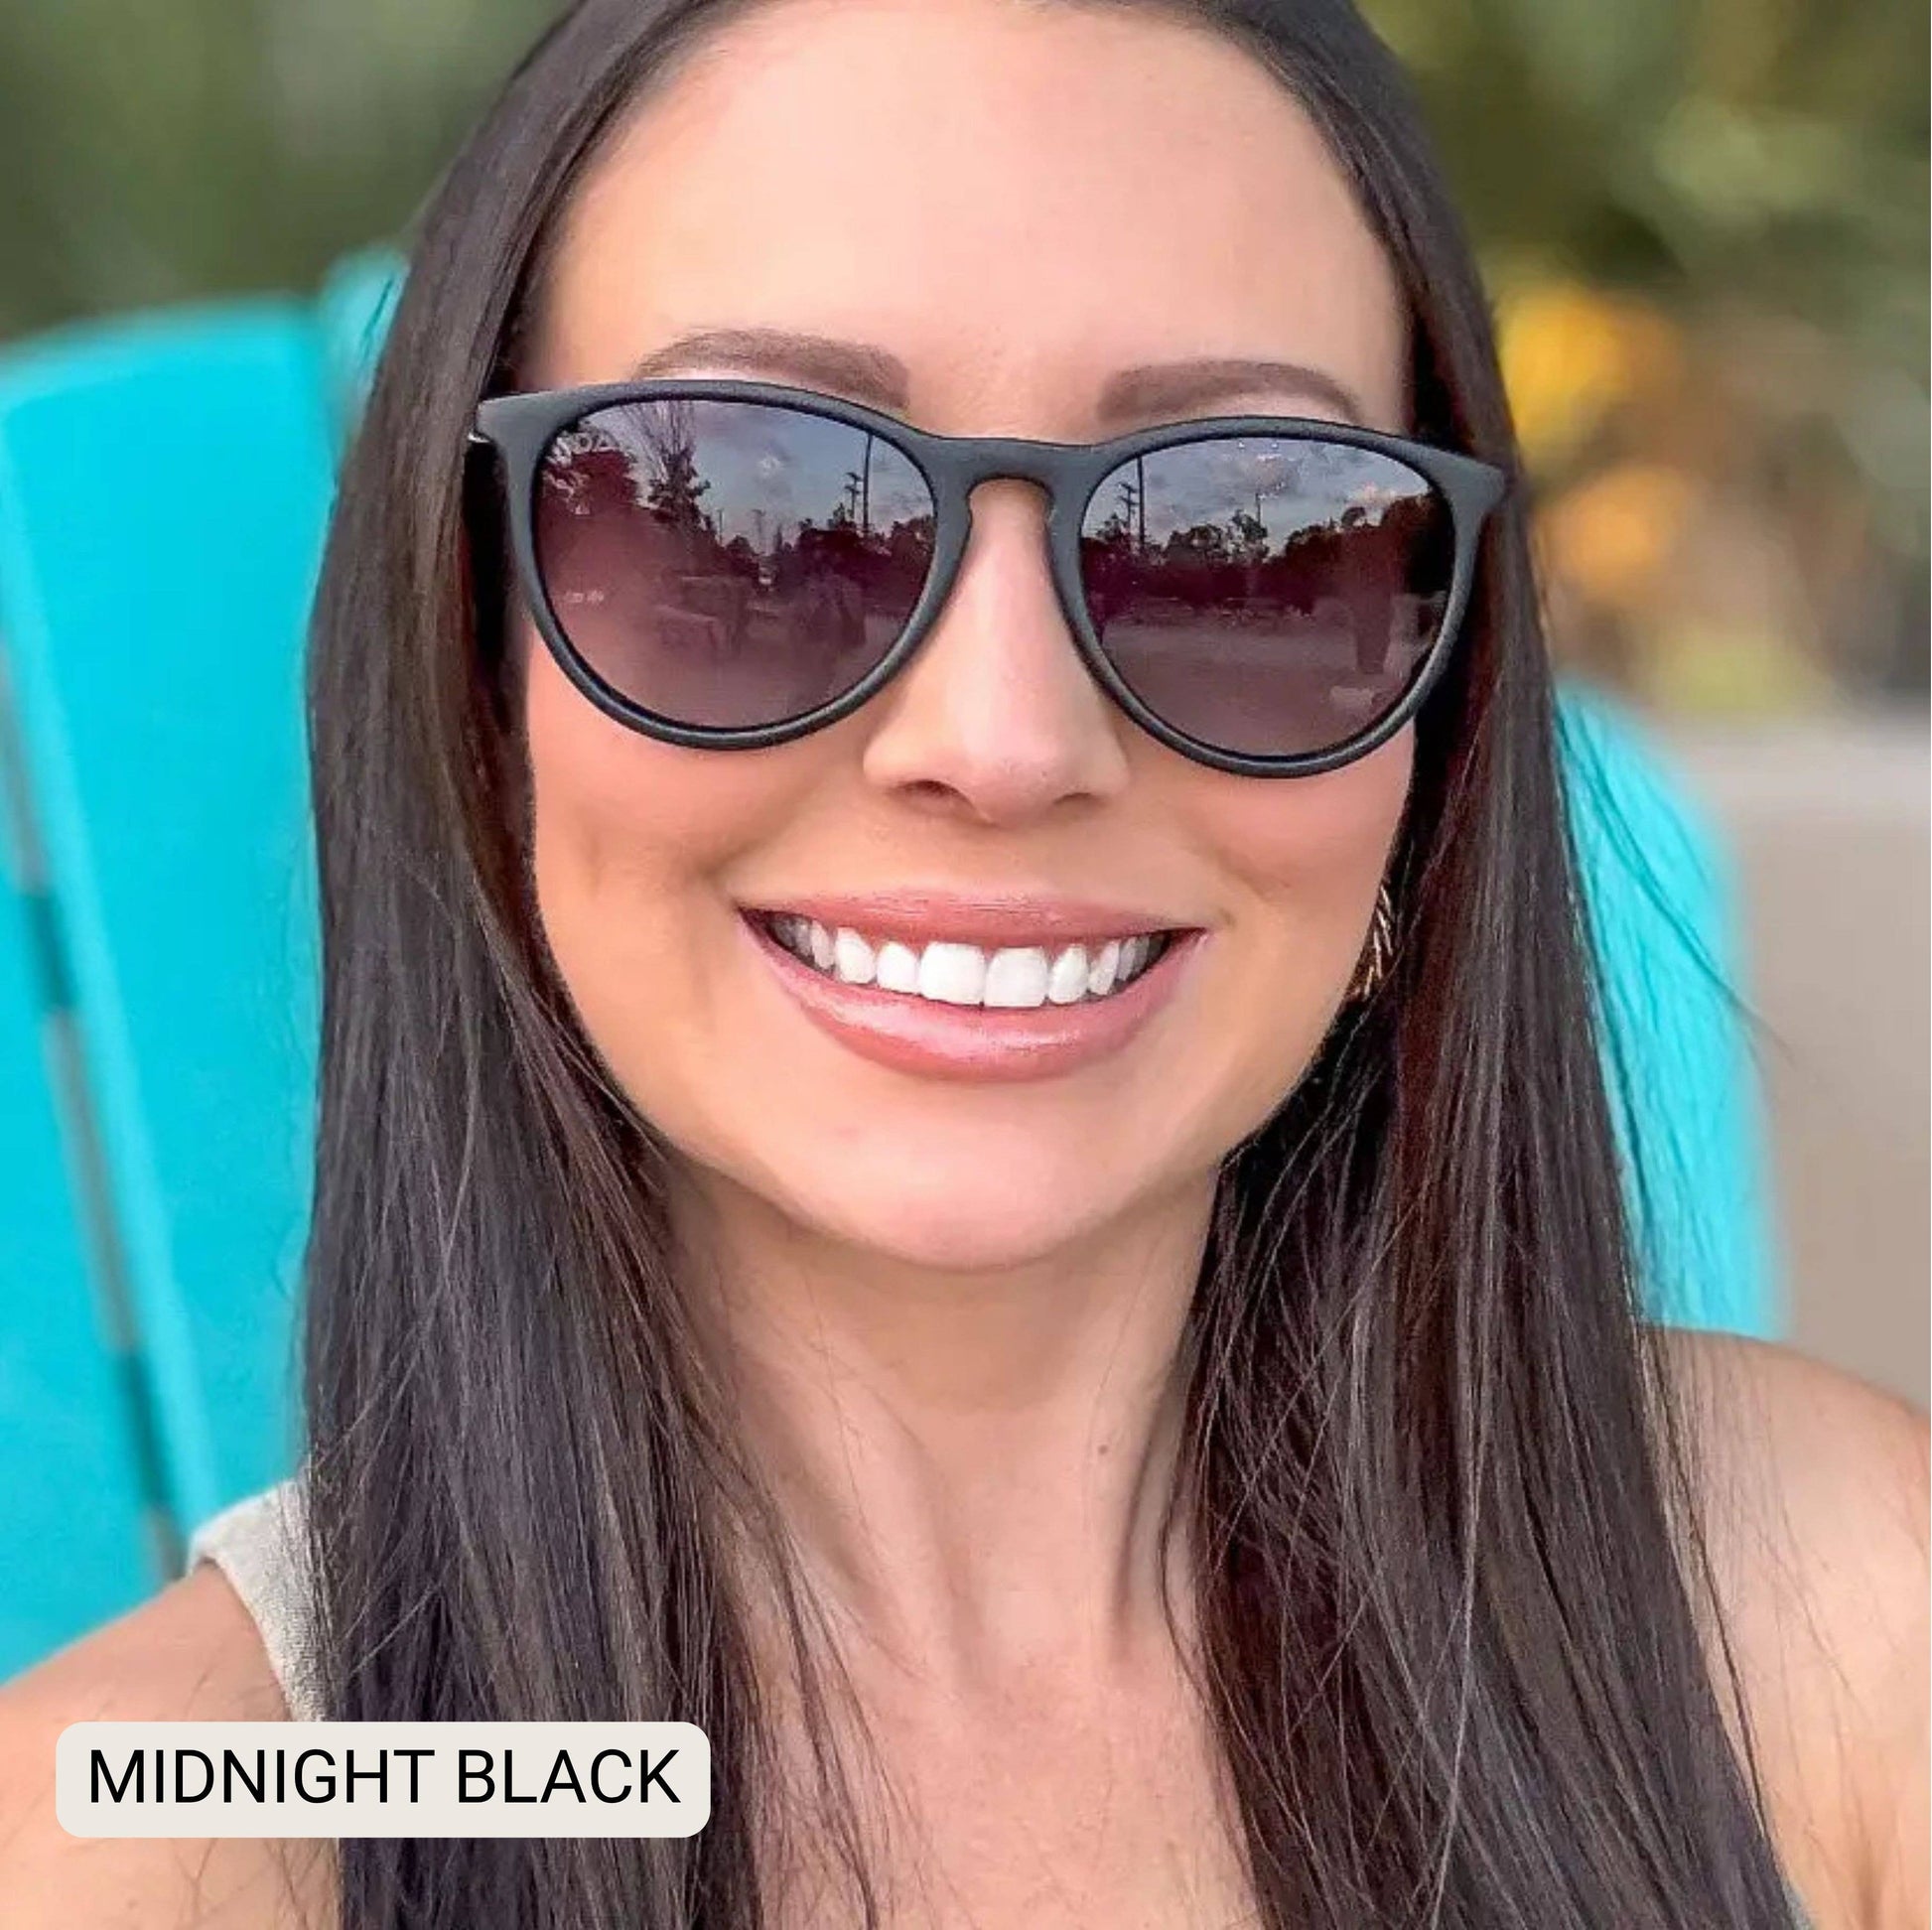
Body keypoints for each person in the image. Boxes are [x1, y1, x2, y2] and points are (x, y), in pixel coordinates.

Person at [2, 1, 1924, 1925]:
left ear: (1430, 743)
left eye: (1243, 544)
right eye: (742, 520)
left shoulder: (1824, 1620)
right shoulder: (177, 1833)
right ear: (482, 683)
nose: (1002, 741)